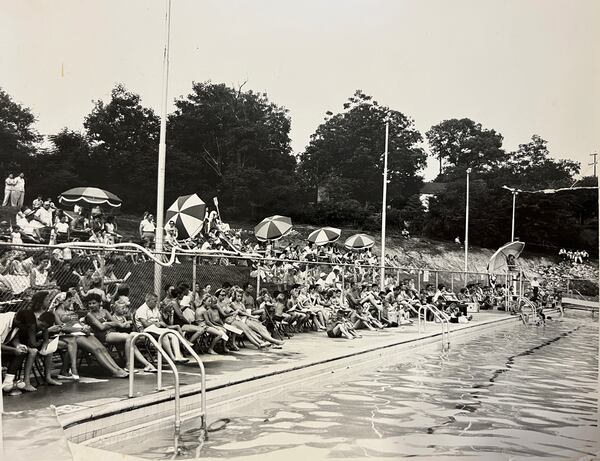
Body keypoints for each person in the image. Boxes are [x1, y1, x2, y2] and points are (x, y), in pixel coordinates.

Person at [85, 297, 157, 372]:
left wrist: (107, 323)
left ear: (99, 303)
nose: (91, 305)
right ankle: (128, 365)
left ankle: (148, 364)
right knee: (129, 337)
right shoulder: (90, 315)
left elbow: (118, 323)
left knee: (132, 339)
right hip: (103, 336)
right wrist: (113, 324)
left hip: (113, 333)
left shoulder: (104, 311)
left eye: (94, 303)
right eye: (90, 304)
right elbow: (101, 327)